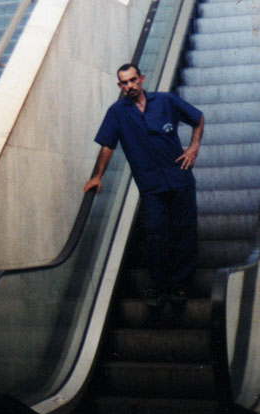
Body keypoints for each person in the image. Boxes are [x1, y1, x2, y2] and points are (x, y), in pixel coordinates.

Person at [83, 64, 205, 307]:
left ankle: (180, 286)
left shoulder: (165, 101)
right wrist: (98, 176)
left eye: (132, 80)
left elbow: (198, 117)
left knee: (184, 231)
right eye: (124, 83)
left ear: (141, 78)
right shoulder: (117, 112)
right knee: (156, 234)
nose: (129, 86)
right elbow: (107, 146)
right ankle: (158, 287)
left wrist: (193, 148)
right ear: (120, 86)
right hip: (151, 186)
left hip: (180, 178)